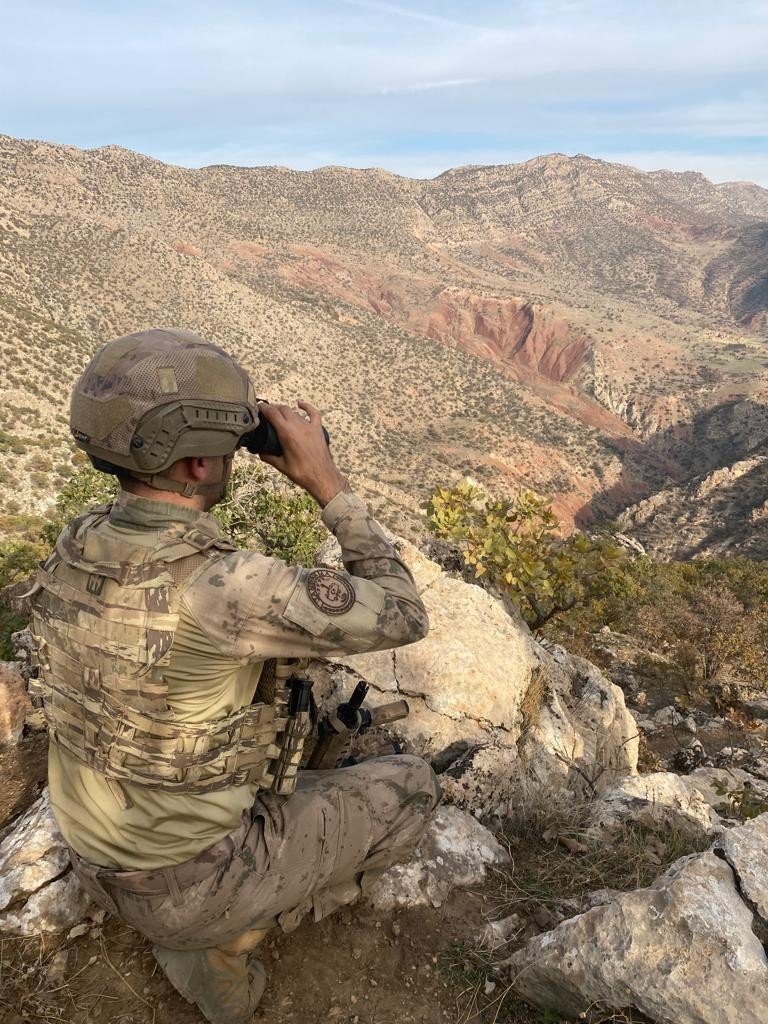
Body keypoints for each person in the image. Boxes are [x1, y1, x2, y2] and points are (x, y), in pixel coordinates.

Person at [28, 328, 441, 1024]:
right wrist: (327, 484)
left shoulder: (78, 542)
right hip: (191, 890)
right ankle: (223, 938)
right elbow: (403, 614)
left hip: (93, 862)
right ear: (197, 463)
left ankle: (205, 919)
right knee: (412, 785)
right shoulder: (228, 586)